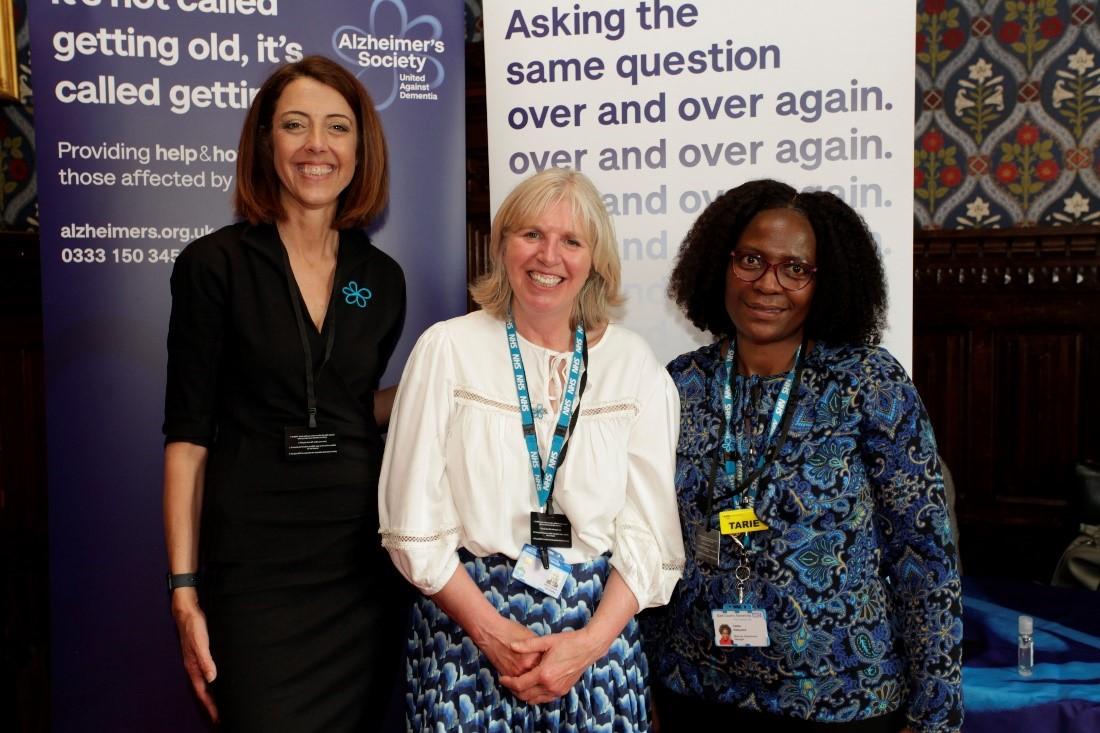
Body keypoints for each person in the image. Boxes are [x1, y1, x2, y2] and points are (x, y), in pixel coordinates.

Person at [642, 179, 963, 733]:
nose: (769, 283)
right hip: (694, 689)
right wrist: (642, 677)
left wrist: (936, 709)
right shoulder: (680, 384)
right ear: (721, 264)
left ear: (826, 281)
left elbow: (923, 553)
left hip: (845, 702)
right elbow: (647, 542)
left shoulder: (868, 383)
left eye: (796, 269)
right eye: (751, 260)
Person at [378, 168, 685, 730]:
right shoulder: (447, 350)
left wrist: (588, 644)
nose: (549, 256)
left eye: (572, 241)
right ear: (501, 245)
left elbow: (649, 533)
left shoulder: (634, 366)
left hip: (595, 641)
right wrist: (493, 634)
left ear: (595, 259)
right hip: (467, 636)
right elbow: (412, 525)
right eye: (531, 235)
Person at [162, 56, 408, 732]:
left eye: (337, 127)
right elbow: (187, 438)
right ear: (266, 141)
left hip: (360, 566)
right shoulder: (214, 266)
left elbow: (350, 406)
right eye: (295, 125)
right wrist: (184, 590)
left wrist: (439, 388)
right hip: (256, 572)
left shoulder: (381, 278)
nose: (316, 146)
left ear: (361, 149)